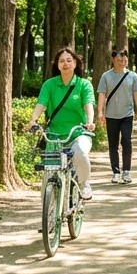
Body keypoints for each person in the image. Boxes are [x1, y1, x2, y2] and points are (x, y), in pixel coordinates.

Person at [26, 48, 98, 200]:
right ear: (57, 65)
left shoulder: (83, 84)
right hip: (54, 135)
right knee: (49, 170)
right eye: (62, 61)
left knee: (80, 152)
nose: (65, 64)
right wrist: (33, 120)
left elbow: (88, 106)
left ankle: (84, 183)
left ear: (75, 63)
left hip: (78, 133)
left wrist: (90, 122)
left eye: (69, 60)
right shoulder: (49, 85)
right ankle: (50, 207)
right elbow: (41, 104)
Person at [96, 48, 137, 184]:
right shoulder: (106, 76)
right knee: (113, 144)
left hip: (127, 115)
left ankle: (126, 171)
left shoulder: (133, 76)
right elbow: (102, 94)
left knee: (127, 141)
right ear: (113, 60)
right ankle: (116, 171)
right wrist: (100, 112)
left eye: (124, 60)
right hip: (111, 115)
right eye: (119, 60)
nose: (122, 62)